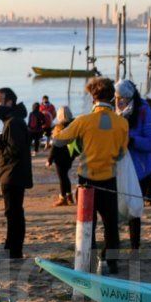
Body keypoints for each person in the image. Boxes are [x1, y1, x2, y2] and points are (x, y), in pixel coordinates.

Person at [53, 77, 129, 274]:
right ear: (112, 97)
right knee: (111, 223)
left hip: (87, 180)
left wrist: (73, 137)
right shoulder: (122, 123)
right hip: (109, 178)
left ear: (92, 97)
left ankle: (89, 261)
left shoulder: (83, 121)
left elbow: (58, 141)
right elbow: (121, 153)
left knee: (88, 224)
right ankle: (112, 262)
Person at [115, 80, 151, 251]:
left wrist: (132, 140)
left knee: (134, 210)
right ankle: (113, 245)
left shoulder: (143, 111)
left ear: (131, 97)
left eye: (123, 98)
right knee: (116, 209)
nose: (119, 102)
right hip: (117, 168)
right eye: (116, 97)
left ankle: (135, 245)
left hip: (139, 169)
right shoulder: (113, 112)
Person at [0, 87, 32, 260]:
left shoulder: (14, 122)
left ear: (9, 102)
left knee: (13, 213)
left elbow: (15, 149)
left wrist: (0, 145)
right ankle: (11, 248)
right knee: (12, 212)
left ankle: (14, 251)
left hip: (14, 174)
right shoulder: (12, 120)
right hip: (12, 173)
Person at [47, 106, 77, 206]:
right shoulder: (75, 125)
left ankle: (63, 197)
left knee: (62, 178)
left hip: (59, 158)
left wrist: (49, 159)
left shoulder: (58, 128)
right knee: (65, 176)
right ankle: (69, 197)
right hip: (70, 155)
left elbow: (55, 145)